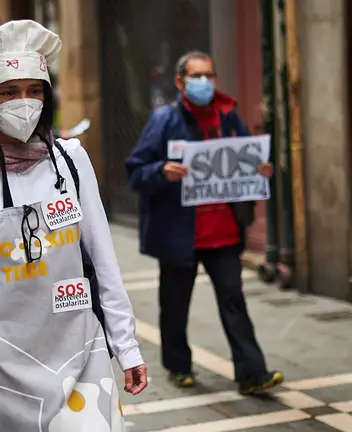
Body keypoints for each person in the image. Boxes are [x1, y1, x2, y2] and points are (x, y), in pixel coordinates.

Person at [0, 21, 147, 430]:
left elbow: (102, 257)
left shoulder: (71, 161)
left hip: (79, 350)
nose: (24, 102)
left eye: (35, 90)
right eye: (9, 91)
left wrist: (125, 345)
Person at [125, 50, 283, 395]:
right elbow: (136, 171)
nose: (204, 83)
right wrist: (161, 171)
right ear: (180, 82)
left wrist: (259, 170)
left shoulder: (228, 117)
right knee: (175, 306)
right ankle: (179, 367)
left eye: (209, 76)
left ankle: (252, 373)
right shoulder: (164, 120)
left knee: (234, 302)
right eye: (197, 77)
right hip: (180, 236)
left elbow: (246, 158)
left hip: (224, 234)